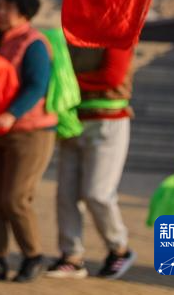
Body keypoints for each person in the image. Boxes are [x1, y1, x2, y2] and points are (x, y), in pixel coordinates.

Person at [0, 0, 57, 284]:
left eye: (8, 7)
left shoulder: (33, 43)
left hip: (30, 131)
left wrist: (12, 113)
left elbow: (37, 85)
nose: (0, 12)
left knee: (14, 198)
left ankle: (33, 256)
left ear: (25, 12)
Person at [45, 45, 136, 280]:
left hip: (108, 121)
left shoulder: (117, 37)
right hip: (73, 121)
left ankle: (119, 249)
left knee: (97, 193)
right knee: (66, 194)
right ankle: (72, 257)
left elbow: (111, 77)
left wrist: (67, 83)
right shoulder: (72, 38)